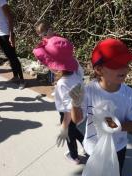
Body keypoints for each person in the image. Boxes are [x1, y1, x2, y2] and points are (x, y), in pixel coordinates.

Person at [69, 38, 132, 174]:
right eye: (117, 65)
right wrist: (75, 103)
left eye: (126, 63)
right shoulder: (89, 91)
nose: (125, 68)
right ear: (99, 69)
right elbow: (77, 119)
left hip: (118, 147)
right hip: (93, 146)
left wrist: (117, 126)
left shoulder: (129, 94)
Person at [33, 36, 84, 164]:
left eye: (49, 64)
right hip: (79, 109)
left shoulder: (62, 84)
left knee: (69, 135)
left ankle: (74, 156)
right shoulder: (76, 68)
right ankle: (87, 145)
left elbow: (67, 111)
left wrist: (63, 127)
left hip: (69, 114)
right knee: (74, 130)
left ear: (56, 68)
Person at [0, 0, 25, 89]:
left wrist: (11, 34)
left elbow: (10, 17)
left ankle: (22, 80)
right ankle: (15, 76)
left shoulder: (1, 1)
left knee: (13, 57)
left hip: (6, 33)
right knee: (9, 56)